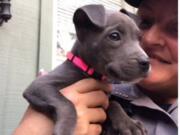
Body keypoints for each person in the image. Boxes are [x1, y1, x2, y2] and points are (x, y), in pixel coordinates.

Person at [13, 0, 178, 135]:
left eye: (176, 29)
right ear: (82, 28)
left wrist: (114, 110)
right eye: (145, 23)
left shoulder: (108, 85)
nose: (147, 41)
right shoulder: (106, 83)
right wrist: (35, 127)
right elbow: (35, 89)